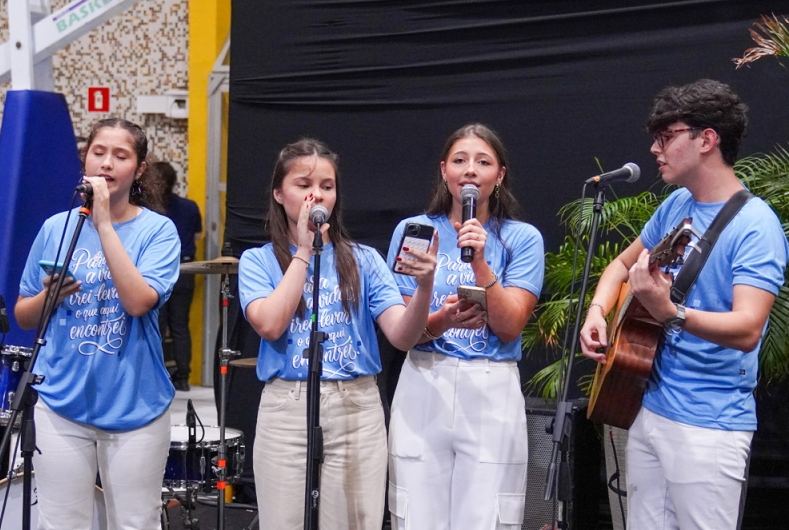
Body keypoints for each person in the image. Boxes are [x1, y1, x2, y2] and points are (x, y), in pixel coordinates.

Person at [580, 79, 788, 530]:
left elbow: (748, 327)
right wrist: (597, 312)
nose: (655, 149)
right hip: (649, 406)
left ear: (707, 139)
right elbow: (621, 265)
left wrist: (670, 313)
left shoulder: (756, 226)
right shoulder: (677, 204)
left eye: (666, 136)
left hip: (709, 425)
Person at [237, 138, 438, 530]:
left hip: (355, 406)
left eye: (326, 186)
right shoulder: (258, 260)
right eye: (303, 184)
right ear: (279, 194)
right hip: (287, 406)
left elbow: (402, 336)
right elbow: (270, 324)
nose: (316, 195)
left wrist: (425, 286)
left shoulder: (363, 259)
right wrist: (303, 251)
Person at [14, 118, 180, 530]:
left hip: (135, 406)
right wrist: (49, 297)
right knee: (61, 522)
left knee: (135, 522)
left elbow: (138, 302)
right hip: (61, 402)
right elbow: (23, 314)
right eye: (98, 152)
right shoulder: (57, 228)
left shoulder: (158, 231)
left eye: (120, 156)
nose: (106, 163)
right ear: (85, 159)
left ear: (139, 169)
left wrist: (104, 223)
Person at [386, 123, 545, 529]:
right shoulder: (415, 232)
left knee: (486, 516)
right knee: (416, 515)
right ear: (444, 170)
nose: (470, 169)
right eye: (460, 160)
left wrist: (480, 263)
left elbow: (510, 327)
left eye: (483, 162)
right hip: (425, 379)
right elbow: (403, 331)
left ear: (500, 175)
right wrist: (443, 319)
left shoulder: (522, 238)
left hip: (490, 386)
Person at [154, 161, 203, 391]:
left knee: (157, 325)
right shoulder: (190, 206)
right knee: (180, 325)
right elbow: (198, 236)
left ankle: (157, 375)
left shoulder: (151, 210)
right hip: (186, 269)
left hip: (159, 270)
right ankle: (183, 377)